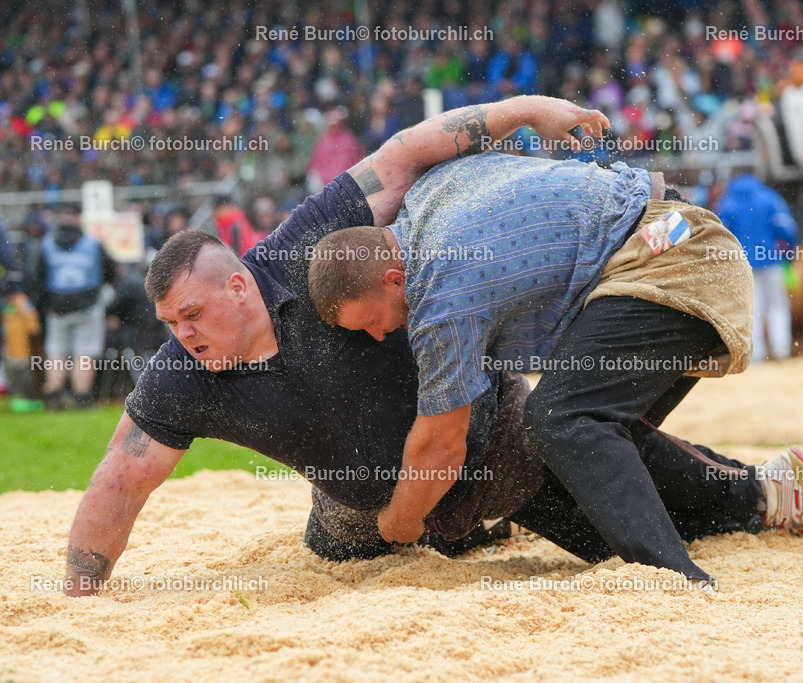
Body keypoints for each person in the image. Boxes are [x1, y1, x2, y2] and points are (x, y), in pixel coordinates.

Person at [62, 96, 616, 597]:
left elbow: (405, 154)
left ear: (237, 288)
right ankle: (455, 533)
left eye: (192, 316)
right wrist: (80, 587)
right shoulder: (181, 373)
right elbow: (122, 475)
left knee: (634, 528)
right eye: (170, 323)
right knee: (334, 546)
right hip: (358, 517)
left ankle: (490, 521)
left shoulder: (306, 245)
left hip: (492, 445)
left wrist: (529, 110)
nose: (183, 335)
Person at [307, 152, 803, 589]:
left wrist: (398, 524)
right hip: (671, 238)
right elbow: (450, 141)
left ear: (393, 280)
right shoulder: (429, 197)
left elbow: (441, 447)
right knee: (586, 455)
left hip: (671, 259)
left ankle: (673, 581)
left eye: (372, 323)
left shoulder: (440, 296)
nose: (380, 337)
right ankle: (778, 495)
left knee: (564, 418)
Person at [26, 204, 119, 409]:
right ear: (80, 218)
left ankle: (55, 395)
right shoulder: (93, 244)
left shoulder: (47, 244)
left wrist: (45, 304)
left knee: (57, 351)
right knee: (85, 353)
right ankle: (81, 398)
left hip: (57, 307)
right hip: (88, 305)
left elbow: (35, 277)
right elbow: (111, 271)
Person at [715, 173, 799, 361]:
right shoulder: (770, 198)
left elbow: (719, 236)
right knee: (778, 305)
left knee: (752, 309)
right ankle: (781, 350)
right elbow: (787, 229)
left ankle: (755, 354)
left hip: (742, 266)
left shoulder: (727, 203)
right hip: (771, 260)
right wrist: (790, 254)